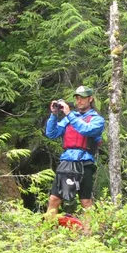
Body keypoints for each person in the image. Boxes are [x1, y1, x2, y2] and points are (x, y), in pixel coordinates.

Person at [44, 86, 105, 223]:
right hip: (67, 162)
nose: (79, 101)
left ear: (90, 99)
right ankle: (46, 231)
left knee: (85, 201)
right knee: (54, 199)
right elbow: (51, 134)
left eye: (82, 98)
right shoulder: (70, 118)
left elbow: (86, 130)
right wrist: (54, 115)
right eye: (77, 98)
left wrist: (69, 114)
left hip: (85, 164)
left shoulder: (97, 120)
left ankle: (89, 234)